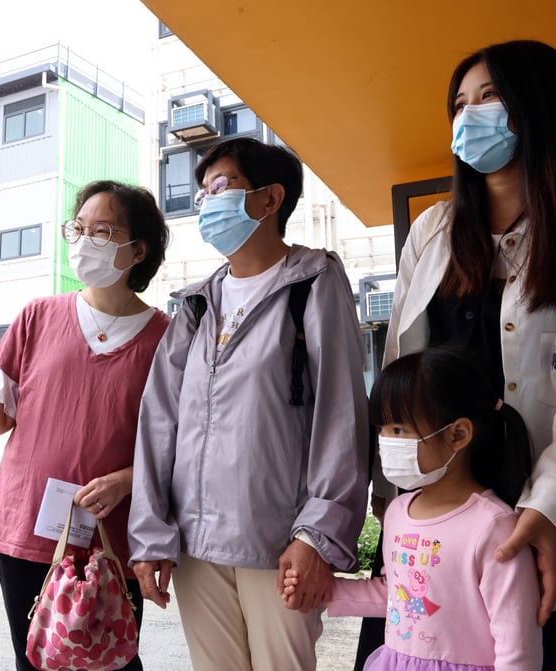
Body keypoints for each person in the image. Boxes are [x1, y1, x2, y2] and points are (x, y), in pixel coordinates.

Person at [364, 40, 556, 671]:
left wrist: (545, 508)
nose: (469, 117)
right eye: (459, 104)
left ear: (539, 108)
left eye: (489, 98)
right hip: (441, 539)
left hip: (553, 538)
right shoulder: (434, 232)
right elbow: (401, 371)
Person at [128, 137, 369, 670]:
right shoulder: (195, 304)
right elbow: (158, 422)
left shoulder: (312, 282)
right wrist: (150, 536)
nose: (208, 202)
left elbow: (341, 415)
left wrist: (316, 535)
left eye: (222, 186)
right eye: (202, 193)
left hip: (279, 544)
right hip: (195, 547)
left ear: (270, 198)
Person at [0, 180, 170, 671]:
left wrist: (129, 480)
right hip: (28, 527)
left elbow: (182, 442)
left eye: (103, 231)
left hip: (119, 535)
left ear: (138, 250)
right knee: (37, 661)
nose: (85, 241)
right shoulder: (40, 316)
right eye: (79, 229)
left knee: (113, 661)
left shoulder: (167, 337)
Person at [286, 346, 543, 669]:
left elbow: (516, 640)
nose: (384, 443)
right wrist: (324, 591)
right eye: (382, 430)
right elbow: (399, 597)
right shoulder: (398, 512)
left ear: (458, 434)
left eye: (398, 429)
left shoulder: (494, 526)